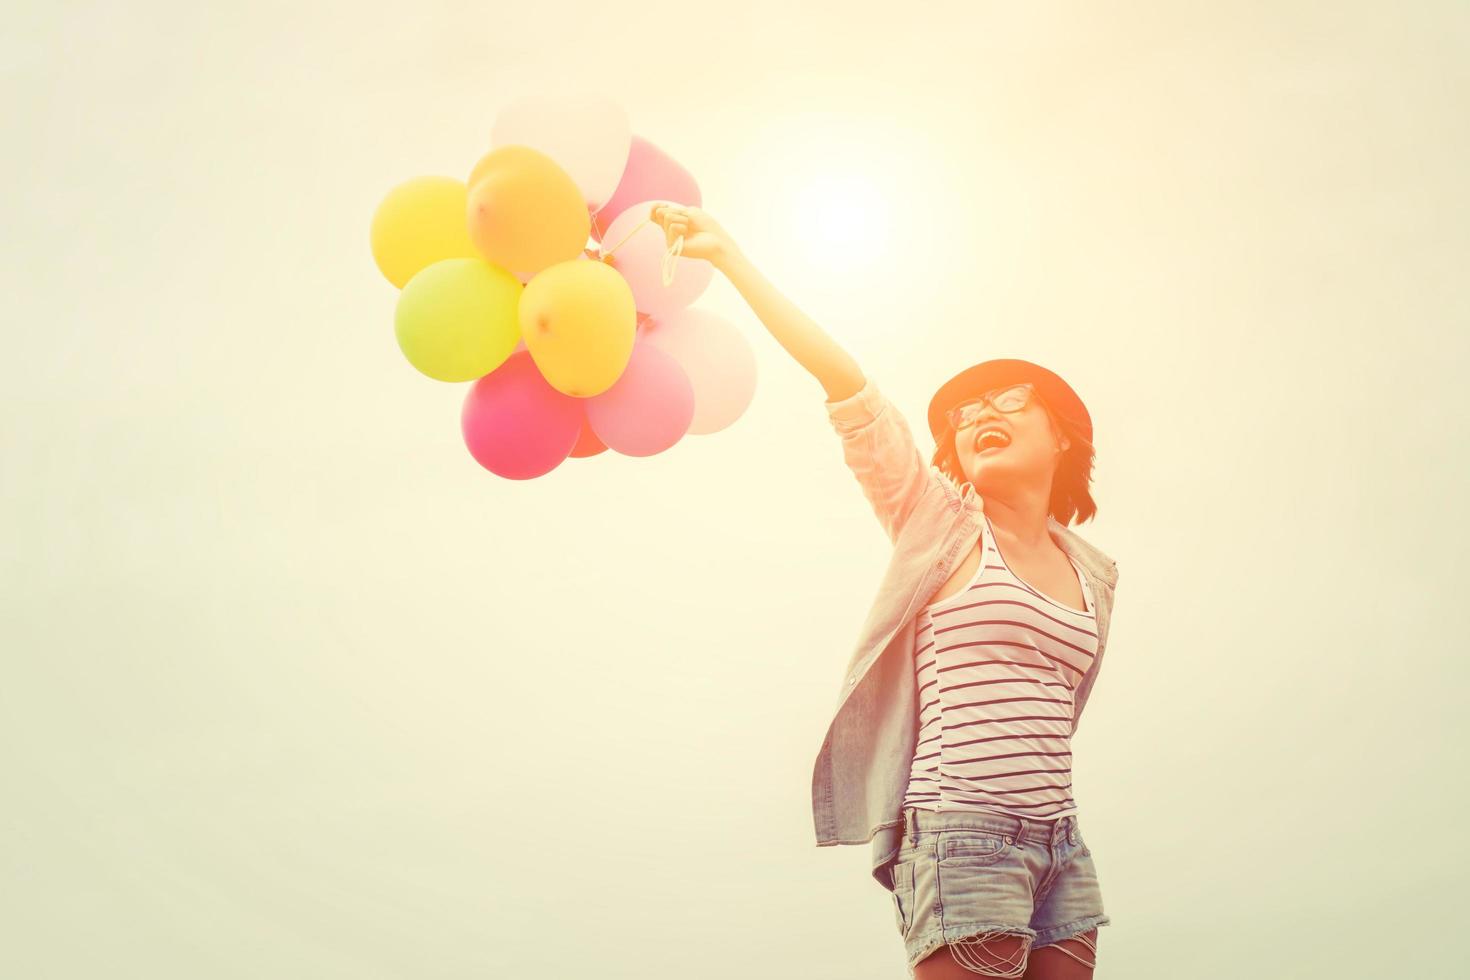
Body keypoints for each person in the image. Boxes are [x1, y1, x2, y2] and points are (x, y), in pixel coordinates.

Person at [649, 205, 1121, 979]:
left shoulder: (1093, 571)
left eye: (1008, 399)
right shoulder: (936, 520)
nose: (978, 415)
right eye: (964, 416)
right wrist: (733, 261)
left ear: (1062, 432)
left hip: (1061, 845)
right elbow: (849, 386)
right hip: (964, 836)